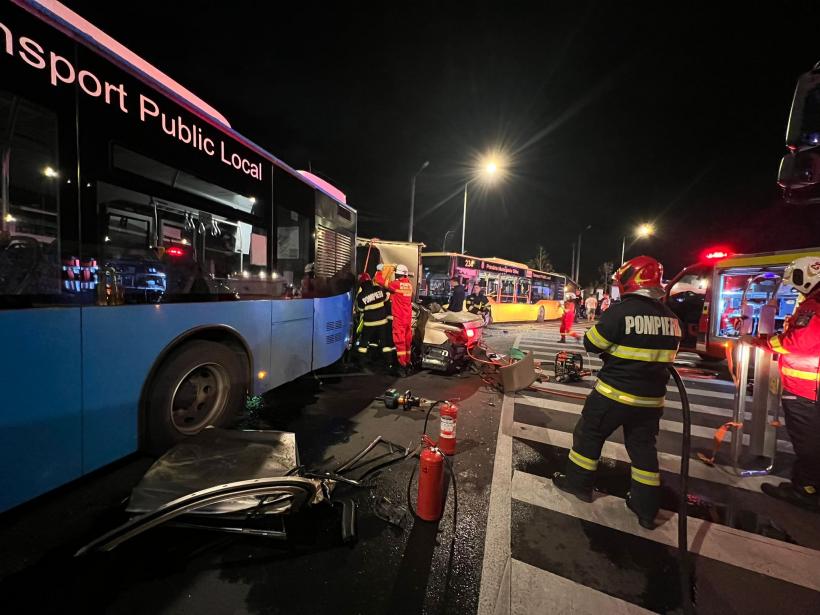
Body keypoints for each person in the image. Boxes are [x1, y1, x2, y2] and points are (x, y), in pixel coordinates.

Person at [552, 255, 682, 529]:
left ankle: (579, 484)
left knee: (589, 436)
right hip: (651, 401)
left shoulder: (622, 311)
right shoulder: (671, 318)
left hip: (613, 394)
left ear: (630, 280)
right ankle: (646, 507)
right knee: (643, 449)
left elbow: (592, 343)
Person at [745, 256, 820, 511]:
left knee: (808, 441)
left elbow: (796, 342)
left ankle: (806, 489)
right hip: (811, 388)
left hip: (807, 389)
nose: (797, 288)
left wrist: (764, 343)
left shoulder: (814, 304)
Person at [376, 263, 414, 374]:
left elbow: (380, 281)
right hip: (407, 318)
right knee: (407, 342)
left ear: (397, 274)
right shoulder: (409, 285)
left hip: (399, 318)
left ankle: (402, 366)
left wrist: (379, 271)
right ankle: (407, 362)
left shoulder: (396, 285)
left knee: (400, 341)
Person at [354, 273, 395, 367]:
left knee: (364, 344)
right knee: (385, 343)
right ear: (369, 280)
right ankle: (389, 362)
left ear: (361, 284)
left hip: (369, 324)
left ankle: (361, 363)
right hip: (382, 322)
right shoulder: (378, 289)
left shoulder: (361, 296)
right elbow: (385, 298)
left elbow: (360, 309)